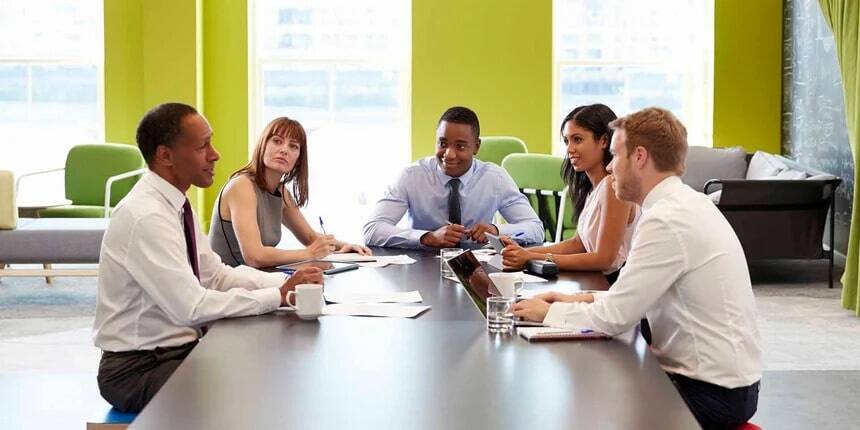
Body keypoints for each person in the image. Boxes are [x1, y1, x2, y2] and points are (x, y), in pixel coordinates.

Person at [513, 107, 761, 430]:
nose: (611, 167)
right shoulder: (685, 204)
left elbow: (613, 319)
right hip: (730, 386)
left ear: (640, 157)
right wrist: (567, 300)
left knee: (577, 406)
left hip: (711, 394)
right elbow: (625, 300)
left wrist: (545, 314)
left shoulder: (666, 221)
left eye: (615, 155)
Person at [93, 103, 324, 413]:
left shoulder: (175, 204)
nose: (215, 154)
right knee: (257, 391)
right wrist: (277, 296)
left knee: (277, 368)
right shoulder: (146, 216)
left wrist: (287, 284)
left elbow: (216, 276)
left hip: (177, 351)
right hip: (137, 369)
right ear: (165, 156)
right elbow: (193, 306)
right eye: (202, 146)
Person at [363, 106, 544, 249]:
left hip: (477, 270)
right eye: (442, 143)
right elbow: (373, 229)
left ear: (476, 146)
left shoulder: (495, 178)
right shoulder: (411, 176)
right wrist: (427, 237)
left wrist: (497, 230)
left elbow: (535, 229)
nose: (449, 154)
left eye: (460, 146)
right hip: (423, 267)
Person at [499, 104, 639, 283]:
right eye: (567, 141)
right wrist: (524, 252)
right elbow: (578, 244)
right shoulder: (594, 189)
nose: (570, 149)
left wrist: (533, 258)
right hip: (595, 282)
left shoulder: (613, 187)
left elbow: (604, 259)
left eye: (577, 139)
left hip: (612, 287)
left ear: (603, 141)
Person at [209, 117, 370, 268]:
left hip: (255, 282)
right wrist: (309, 254)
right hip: (229, 289)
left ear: (299, 158)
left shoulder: (281, 192)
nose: (284, 150)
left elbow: (310, 237)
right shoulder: (241, 186)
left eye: (293, 146)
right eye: (277, 141)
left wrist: (344, 246)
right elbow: (254, 256)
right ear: (262, 145)